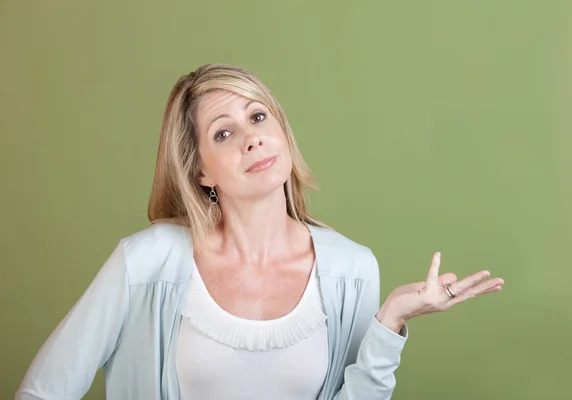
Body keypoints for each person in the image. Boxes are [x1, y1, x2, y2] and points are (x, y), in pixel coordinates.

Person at [15, 63, 504, 400]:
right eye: (223, 133)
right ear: (200, 171)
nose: (252, 138)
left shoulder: (352, 268)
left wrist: (391, 320)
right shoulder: (146, 262)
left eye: (258, 116)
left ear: (281, 130)